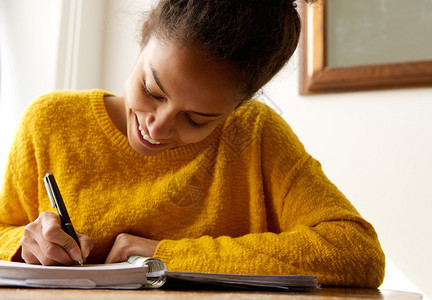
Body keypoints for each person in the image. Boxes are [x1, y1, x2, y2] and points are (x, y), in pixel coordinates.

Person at [0, 0, 385, 287]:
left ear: (238, 105)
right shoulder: (50, 121)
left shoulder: (254, 134)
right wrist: (26, 242)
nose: (158, 126)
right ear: (145, 32)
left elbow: (357, 252)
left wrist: (164, 256)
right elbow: (4, 231)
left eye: (197, 119)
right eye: (152, 90)